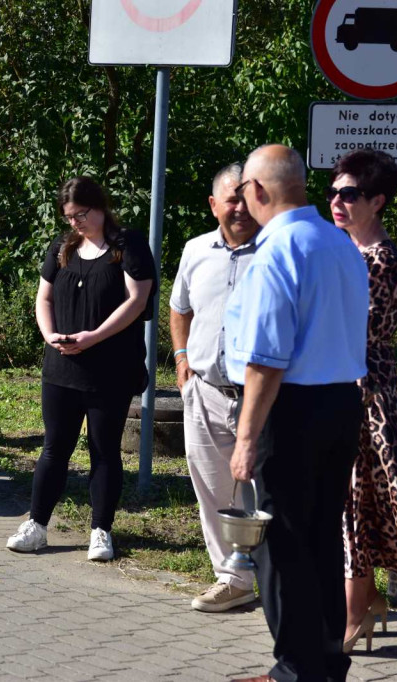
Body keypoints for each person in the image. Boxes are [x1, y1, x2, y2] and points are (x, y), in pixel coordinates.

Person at [225, 145, 369, 682]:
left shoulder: (276, 252)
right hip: (340, 402)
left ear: (258, 192)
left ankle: (294, 669)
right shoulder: (339, 243)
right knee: (322, 536)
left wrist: (245, 438)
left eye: (244, 191)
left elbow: (266, 359)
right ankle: (328, 659)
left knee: (280, 543)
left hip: (289, 410)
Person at [6, 177, 156, 562]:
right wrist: (49, 335)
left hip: (111, 369)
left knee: (104, 450)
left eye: (81, 215)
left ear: (100, 207)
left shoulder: (128, 245)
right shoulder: (62, 246)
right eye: (69, 217)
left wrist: (94, 337)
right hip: (61, 368)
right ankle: (36, 525)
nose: (74, 223)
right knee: (55, 448)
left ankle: (101, 531)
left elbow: (137, 301)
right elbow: (43, 296)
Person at [328, 149, 397, 644]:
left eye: (348, 195)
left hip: (365, 392)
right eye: (333, 192)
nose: (337, 201)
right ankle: (365, 601)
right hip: (349, 384)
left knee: (358, 498)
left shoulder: (379, 261)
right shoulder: (349, 251)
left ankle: (355, 613)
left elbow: (351, 331)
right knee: (355, 499)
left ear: (377, 202)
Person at [170, 163, 260, 613]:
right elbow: (179, 307)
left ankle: (282, 578)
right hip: (204, 391)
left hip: (262, 397)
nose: (240, 208)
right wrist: (182, 359)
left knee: (269, 493)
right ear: (213, 205)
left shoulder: (275, 253)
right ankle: (233, 578)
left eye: (248, 198)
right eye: (232, 199)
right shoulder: (195, 250)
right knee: (212, 489)